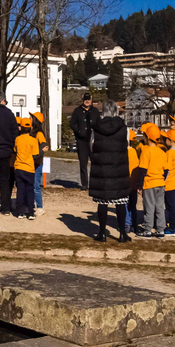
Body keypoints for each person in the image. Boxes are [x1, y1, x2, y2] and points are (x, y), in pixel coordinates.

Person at [88, 101, 131, 243]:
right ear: (117, 111)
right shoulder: (125, 128)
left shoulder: (96, 128)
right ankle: (123, 233)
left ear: (103, 112)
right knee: (120, 202)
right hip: (118, 168)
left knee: (102, 202)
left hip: (102, 169)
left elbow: (92, 146)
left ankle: (102, 233)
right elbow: (127, 145)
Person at [70, 93, 100, 190]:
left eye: (88, 99)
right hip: (81, 140)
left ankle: (94, 183)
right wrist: (78, 131)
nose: (87, 101)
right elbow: (72, 124)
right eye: (85, 99)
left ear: (91, 100)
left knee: (94, 163)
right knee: (83, 163)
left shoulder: (95, 111)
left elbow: (99, 124)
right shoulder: (77, 111)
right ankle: (84, 184)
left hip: (92, 140)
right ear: (83, 100)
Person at [14, 117, 40, 220]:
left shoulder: (17, 139)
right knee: (30, 190)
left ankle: (20, 212)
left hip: (19, 167)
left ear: (20, 127)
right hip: (29, 168)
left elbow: (15, 150)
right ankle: (30, 212)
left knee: (20, 190)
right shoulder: (33, 140)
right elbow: (35, 154)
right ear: (31, 128)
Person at [30, 112, 50, 216]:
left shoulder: (39, 134)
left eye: (32, 117)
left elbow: (44, 146)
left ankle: (40, 207)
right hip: (31, 163)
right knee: (31, 184)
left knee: (35, 185)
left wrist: (36, 154)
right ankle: (31, 204)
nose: (30, 119)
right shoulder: (31, 132)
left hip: (37, 163)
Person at [126, 130, 142, 234]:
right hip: (134, 183)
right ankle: (134, 224)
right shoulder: (136, 152)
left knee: (125, 204)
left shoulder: (124, 152)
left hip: (126, 183)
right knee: (133, 205)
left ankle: (127, 224)